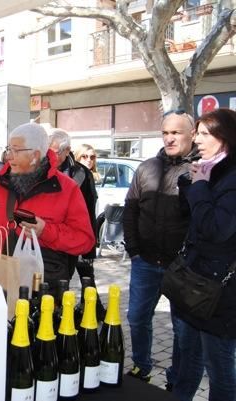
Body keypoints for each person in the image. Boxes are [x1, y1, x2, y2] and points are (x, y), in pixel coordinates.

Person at [0, 122, 95, 291]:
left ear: (35, 155)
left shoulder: (67, 188)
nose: (8, 156)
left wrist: (46, 231)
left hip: (42, 288)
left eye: (15, 150)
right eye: (8, 149)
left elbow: (84, 241)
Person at [123, 110, 199, 385]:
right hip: (144, 262)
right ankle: (142, 366)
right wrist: (133, 250)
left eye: (176, 132)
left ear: (192, 133)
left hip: (182, 268)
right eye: (165, 132)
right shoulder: (146, 168)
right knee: (136, 317)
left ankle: (176, 379)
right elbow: (130, 210)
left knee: (182, 329)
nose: (170, 138)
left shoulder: (201, 170)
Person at [172, 108, 236, 401]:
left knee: (219, 369)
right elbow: (192, 220)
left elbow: (215, 228)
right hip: (194, 282)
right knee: (188, 355)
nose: (197, 139)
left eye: (205, 134)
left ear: (226, 138)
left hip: (220, 293)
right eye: (196, 133)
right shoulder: (208, 168)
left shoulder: (231, 178)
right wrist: (192, 184)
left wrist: (199, 186)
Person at [49, 129, 105, 319]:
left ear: (66, 152)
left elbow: (90, 211)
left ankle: (60, 322)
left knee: (62, 282)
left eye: (55, 151)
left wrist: (89, 248)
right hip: (45, 238)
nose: (50, 155)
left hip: (69, 240)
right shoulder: (41, 168)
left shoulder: (81, 174)